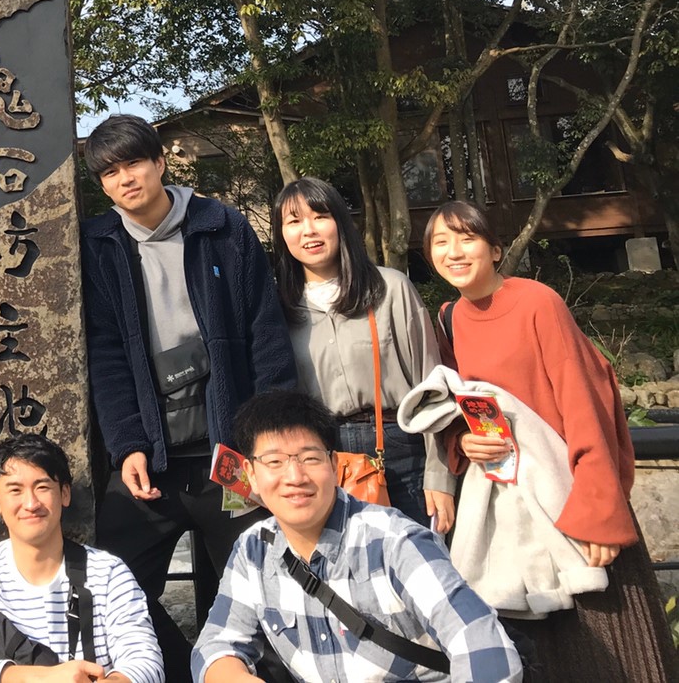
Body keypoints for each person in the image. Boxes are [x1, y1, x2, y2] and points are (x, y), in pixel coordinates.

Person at [423, 201, 678, 681]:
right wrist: (464, 442)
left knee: (615, 653)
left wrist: (599, 514)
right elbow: (458, 405)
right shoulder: (449, 318)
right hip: (511, 518)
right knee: (540, 658)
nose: (453, 252)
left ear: (495, 249)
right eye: (440, 242)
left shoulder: (538, 302)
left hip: (572, 501)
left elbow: (586, 402)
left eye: (467, 238)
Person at [80, 114, 295, 677]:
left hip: (231, 451)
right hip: (152, 457)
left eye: (134, 163)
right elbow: (105, 354)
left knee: (265, 595)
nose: (125, 178)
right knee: (109, 588)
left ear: (160, 162)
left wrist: (268, 445)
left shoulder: (222, 226)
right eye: (110, 172)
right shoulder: (98, 245)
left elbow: (266, 335)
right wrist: (127, 443)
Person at [192, 391, 522, 683]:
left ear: (334, 465)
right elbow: (214, 645)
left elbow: (482, 645)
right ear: (251, 474)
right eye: (274, 461)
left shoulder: (394, 541)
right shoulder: (254, 550)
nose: (294, 476)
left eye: (310, 458)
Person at [269, 177, 455, 531]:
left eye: (320, 216)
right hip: (322, 457)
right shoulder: (277, 308)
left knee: (418, 559)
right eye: (294, 221)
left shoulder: (390, 289)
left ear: (340, 222)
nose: (309, 230)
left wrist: (439, 475)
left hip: (400, 449)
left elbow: (432, 388)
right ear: (282, 234)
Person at [0, 434, 165, 683]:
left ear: (65, 494)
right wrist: (45, 678)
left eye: (42, 487)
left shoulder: (109, 573)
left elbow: (145, 661)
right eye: (15, 490)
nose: (31, 503)